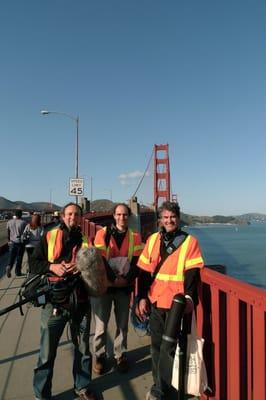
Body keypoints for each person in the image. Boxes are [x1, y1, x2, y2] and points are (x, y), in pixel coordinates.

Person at [31, 202, 100, 400]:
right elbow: (34, 263)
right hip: (55, 303)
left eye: (76, 214)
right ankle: (41, 395)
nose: (73, 217)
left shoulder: (87, 239)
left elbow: (95, 268)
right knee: (46, 353)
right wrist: (52, 267)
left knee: (83, 350)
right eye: (69, 214)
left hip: (81, 301)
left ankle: (82, 387)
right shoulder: (50, 236)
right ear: (62, 216)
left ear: (81, 218)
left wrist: (82, 267)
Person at [136, 201, 204, 400]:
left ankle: (173, 391)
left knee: (174, 351)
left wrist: (189, 299)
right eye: (165, 217)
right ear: (160, 220)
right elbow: (144, 272)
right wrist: (141, 298)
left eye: (172, 217)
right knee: (156, 348)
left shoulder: (190, 242)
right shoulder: (153, 240)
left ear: (178, 218)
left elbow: (192, 274)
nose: (169, 220)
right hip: (156, 301)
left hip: (177, 307)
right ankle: (159, 388)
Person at [91, 203, 143, 374]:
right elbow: (100, 260)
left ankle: (120, 355)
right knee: (100, 326)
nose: (122, 218)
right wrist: (114, 279)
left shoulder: (135, 236)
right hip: (105, 286)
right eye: (119, 214)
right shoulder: (102, 234)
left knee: (122, 325)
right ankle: (99, 356)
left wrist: (125, 280)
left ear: (129, 216)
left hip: (123, 287)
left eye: (125, 215)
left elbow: (137, 262)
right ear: (113, 216)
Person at [6, 209, 27, 277]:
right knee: (19, 257)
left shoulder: (9, 222)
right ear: (21, 214)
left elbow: (8, 232)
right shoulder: (23, 222)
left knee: (11, 256)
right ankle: (18, 272)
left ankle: (9, 266)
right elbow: (25, 233)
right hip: (20, 243)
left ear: (15, 214)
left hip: (12, 242)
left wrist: (9, 240)